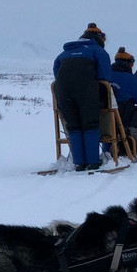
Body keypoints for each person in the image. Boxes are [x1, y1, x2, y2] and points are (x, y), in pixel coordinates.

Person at [53, 23, 111, 171]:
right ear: (99, 38)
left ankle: (79, 162)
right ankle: (92, 161)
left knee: (73, 125)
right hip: (86, 90)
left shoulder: (63, 54)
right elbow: (105, 76)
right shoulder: (97, 51)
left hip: (63, 92)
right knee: (90, 124)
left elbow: (56, 72)